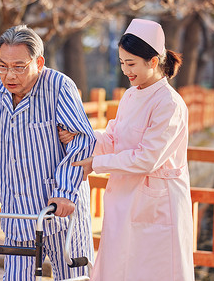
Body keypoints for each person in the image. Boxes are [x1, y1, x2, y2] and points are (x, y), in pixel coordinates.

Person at [0, 25, 96, 280]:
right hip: (17, 208)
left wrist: (64, 192)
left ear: (38, 62)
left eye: (19, 67)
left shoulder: (59, 87)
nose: (9, 75)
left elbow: (82, 140)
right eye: (3, 65)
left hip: (61, 208)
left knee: (75, 276)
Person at [63, 18, 194, 280]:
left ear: (154, 61)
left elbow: (147, 159)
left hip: (157, 203)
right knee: (120, 267)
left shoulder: (169, 103)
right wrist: (82, 136)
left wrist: (96, 164)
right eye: (122, 63)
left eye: (131, 63)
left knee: (152, 270)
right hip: (126, 198)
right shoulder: (131, 95)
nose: (125, 70)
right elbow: (113, 137)